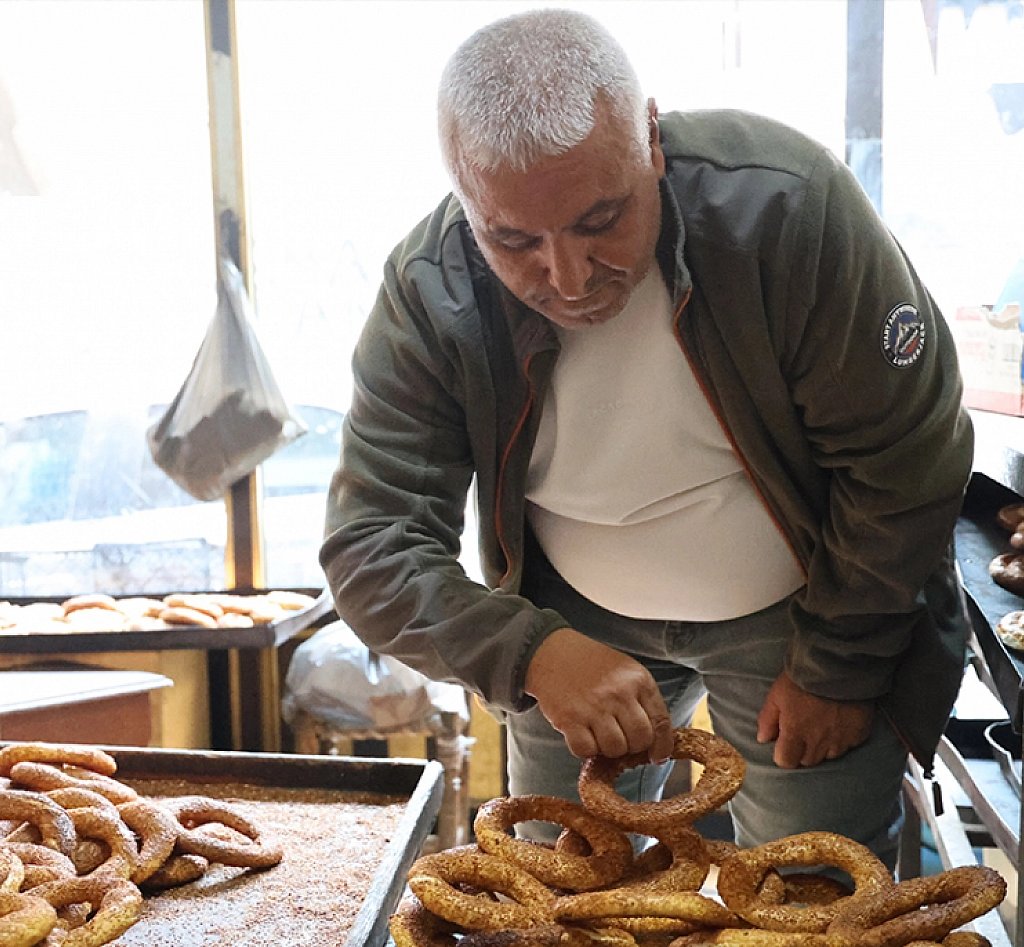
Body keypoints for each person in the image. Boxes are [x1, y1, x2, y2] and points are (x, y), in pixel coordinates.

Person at [319, 8, 973, 870]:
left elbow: (906, 455)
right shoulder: (431, 289)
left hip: (807, 603)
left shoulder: (786, 209)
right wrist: (532, 652)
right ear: (466, 205)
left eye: (601, 219)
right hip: (570, 617)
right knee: (562, 885)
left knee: (811, 888)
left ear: (652, 140)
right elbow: (371, 543)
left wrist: (841, 664)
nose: (568, 277)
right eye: (513, 240)